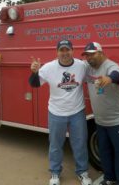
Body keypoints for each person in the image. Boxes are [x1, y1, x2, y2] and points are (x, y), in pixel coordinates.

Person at [29, 40, 92, 185]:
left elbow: (93, 72)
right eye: (61, 50)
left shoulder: (81, 65)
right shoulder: (49, 67)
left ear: (72, 51)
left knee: (80, 143)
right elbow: (34, 84)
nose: (65, 53)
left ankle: (82, 172)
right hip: (56, 113)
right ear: (57, 52)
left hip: (77, 112)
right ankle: (55, 173)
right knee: (56, 144)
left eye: (67, 50)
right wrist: (34, 72)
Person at [82, 42, 119, 185]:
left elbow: (116, 75)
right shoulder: (88, 68)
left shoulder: (111, 66)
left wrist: (109, 78)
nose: (89, 57)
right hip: (100, 121)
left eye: (92, 53)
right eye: (87, 55)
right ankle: (109, 178)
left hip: (118, 119)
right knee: (105, 152)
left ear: (101, 53)